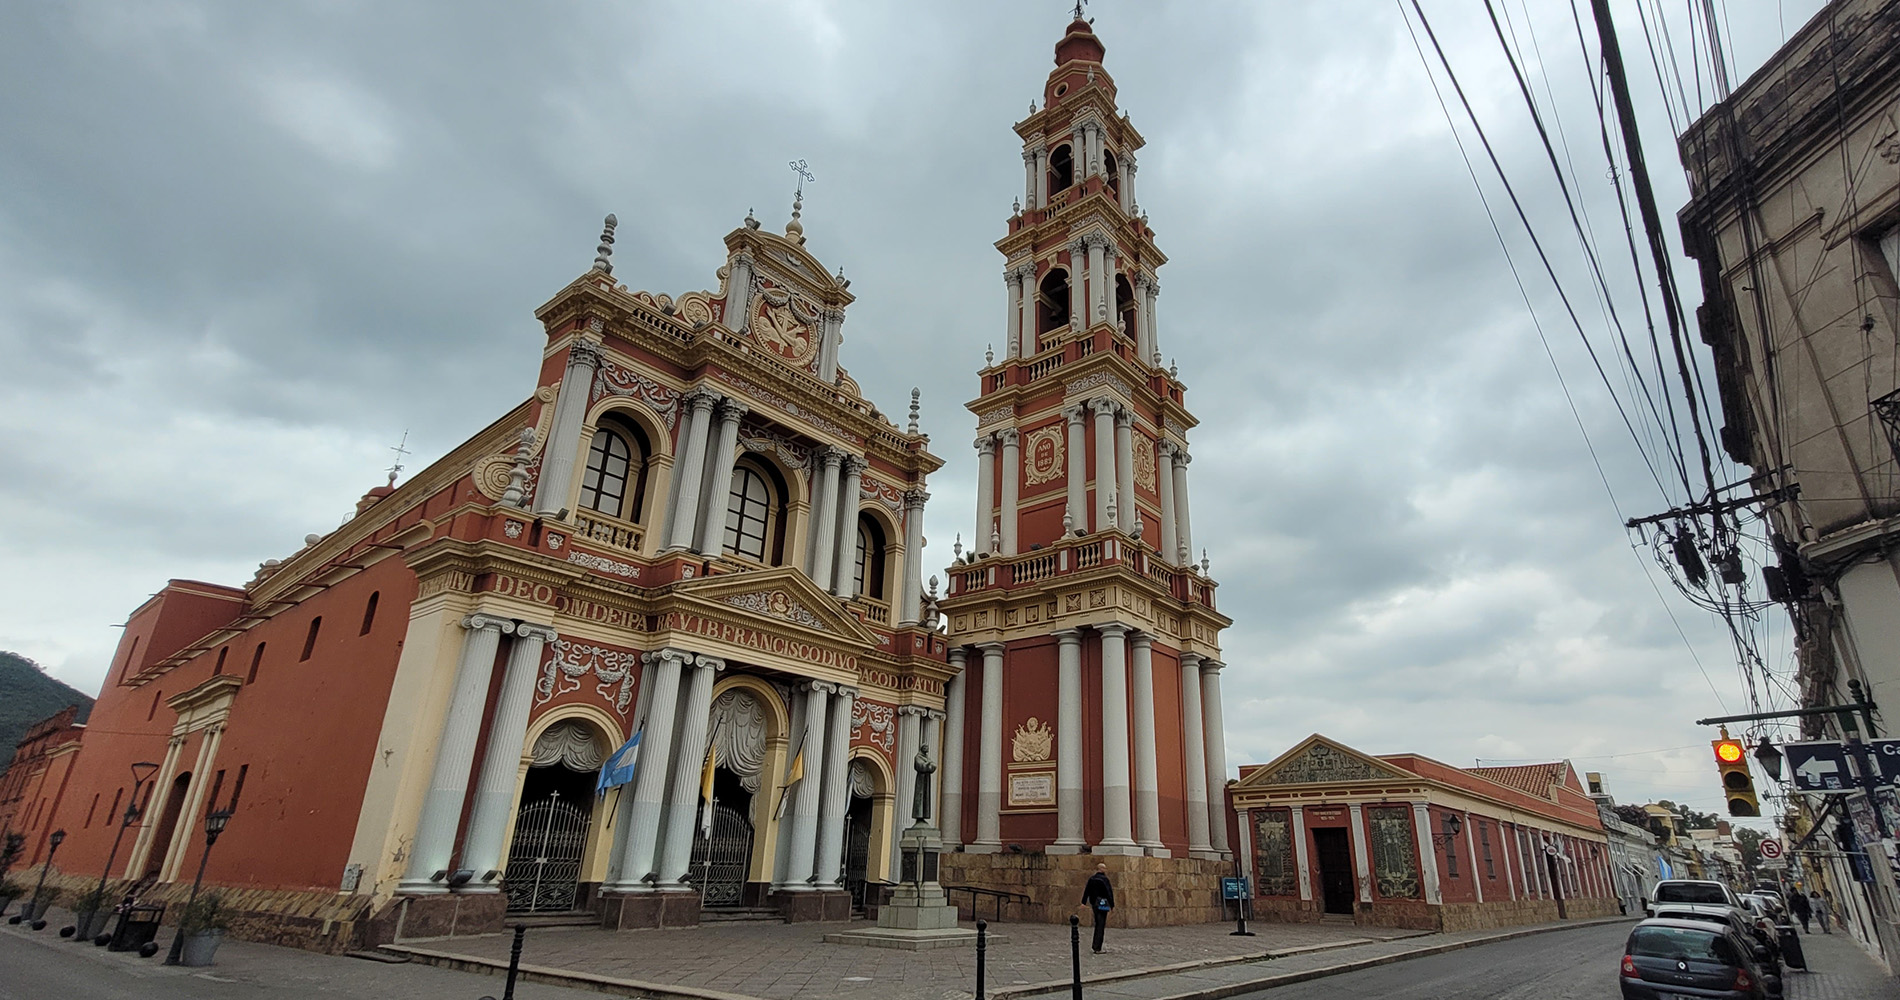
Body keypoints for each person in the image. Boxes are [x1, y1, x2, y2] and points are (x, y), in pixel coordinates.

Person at [1082, 863, 1114, 953]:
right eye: (1105, 868)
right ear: (1102, 869)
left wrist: (1083, 902)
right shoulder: (1104, 880)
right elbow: (1109, 893)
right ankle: (1097, 947)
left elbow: (1087, 890)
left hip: (1094, 903)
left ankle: (1095, 946)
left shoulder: (1092, 879)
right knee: (1101, 924)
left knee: (1097, 922)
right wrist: (1112, 905)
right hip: (1103, 903)